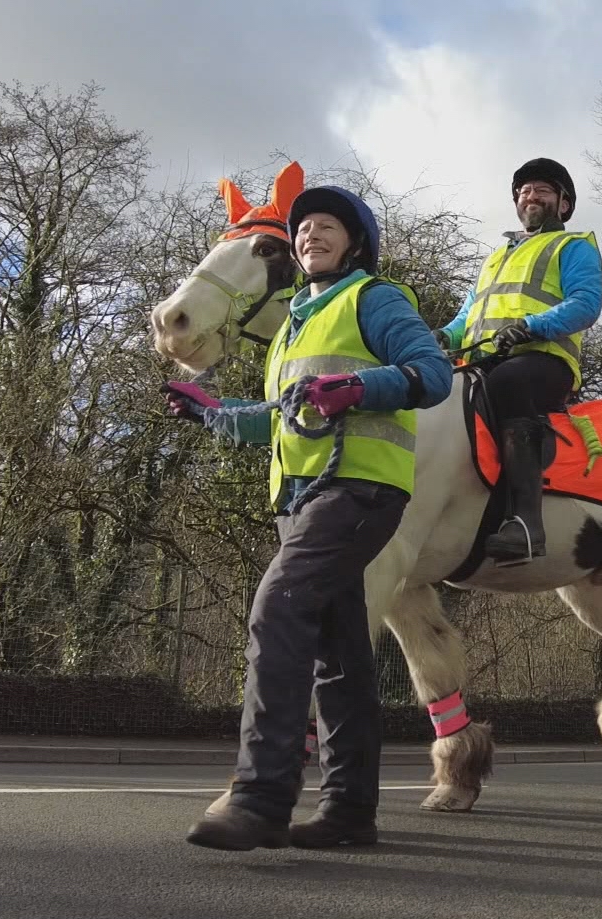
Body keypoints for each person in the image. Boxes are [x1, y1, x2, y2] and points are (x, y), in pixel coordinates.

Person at [165, 183, 452, 851]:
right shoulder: (295, 322)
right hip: (299, 500)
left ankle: (261, 799)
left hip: (359, 491)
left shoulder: (374, 299)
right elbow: (283, 419)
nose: (310, 236)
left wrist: (358, 386)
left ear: (354, 243)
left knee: (278, 608)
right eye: (302, 230)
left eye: (326, 226)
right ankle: (350, 810)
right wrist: (211, 414)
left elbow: (431, 373)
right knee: (341, 653)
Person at [436, 157, 602, 565]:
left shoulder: (574, 245)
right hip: (483, 360)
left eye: (542, 190)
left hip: (543, 361)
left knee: (506, 385)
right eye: (524, 191)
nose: (531, 195)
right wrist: (441, 336)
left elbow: (586, 303)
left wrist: (531, 326)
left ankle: (527, 523)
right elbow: (467, 316)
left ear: (563, 204)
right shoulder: (495, 256)